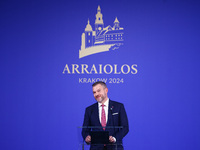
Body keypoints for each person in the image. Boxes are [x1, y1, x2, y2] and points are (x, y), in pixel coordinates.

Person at [82, 81, 129, 150]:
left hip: (114, 147)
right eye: (94, 92)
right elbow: (84, 130)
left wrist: (114, 138)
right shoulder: (89, 110)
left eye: (98, 91)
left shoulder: (119, 107)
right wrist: (87, 137)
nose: (96, 94)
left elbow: (125, 127)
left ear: (106, 90)